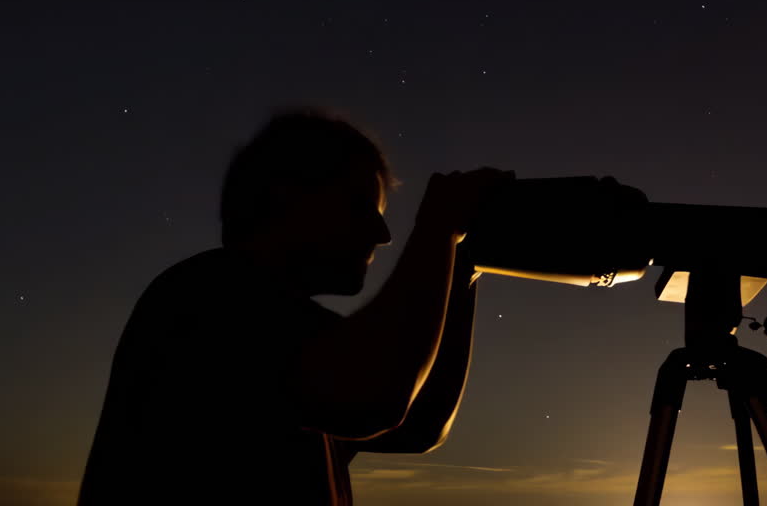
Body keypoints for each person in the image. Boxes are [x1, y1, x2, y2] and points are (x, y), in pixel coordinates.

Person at [77, 106, 515, 505]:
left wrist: (459, 268)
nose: (381, 234)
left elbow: (420, 420)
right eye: (360, 205)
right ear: (288, 195)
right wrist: (438, 226)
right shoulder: (209, 300)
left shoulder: (267, 330)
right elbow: (375, 394)